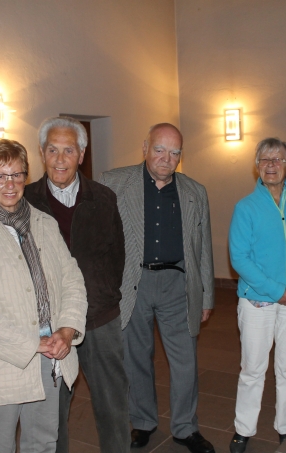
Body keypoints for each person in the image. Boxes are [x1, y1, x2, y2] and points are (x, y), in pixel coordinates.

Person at [0, 139, 87, 453]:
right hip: (2, 361)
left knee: (43, 443)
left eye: (16, 174)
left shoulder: (46, 224)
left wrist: (67, 330)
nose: (10, 184)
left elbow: (72, 280)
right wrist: (31, 343)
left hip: (52, 353)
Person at [99, 123, 215, 453]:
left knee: (185, 361)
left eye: (174, 152)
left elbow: (203, 247)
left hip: (178, 283)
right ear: (145, 148)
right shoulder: (113, 183)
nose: (166, 158)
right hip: (132, 284)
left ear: (181, 155)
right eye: (159, 149)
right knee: (136, 357)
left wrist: (206, 295)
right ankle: (142, 422)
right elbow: (99, 240)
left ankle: (185, 428)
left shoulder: (195, 191)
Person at [24, 116, 129, 453]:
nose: (60, 159)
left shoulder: (103, 198)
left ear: (81, 155)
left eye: (68, 150)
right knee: (52, 413)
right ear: (42, 152)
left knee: (113, 405)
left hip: (99, 318)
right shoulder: (25, 201)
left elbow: (117, 256)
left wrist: (103, 295)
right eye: (52, 150)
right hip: (49, 324)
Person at [227, 138, 286, 452]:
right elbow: (239, 257)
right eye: (265, 159)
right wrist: (275, 290)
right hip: (257, 301)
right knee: (253, 369)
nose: (271, 165)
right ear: (257, 166)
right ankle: (243, 429)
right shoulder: (245, 207)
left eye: (278, 159)